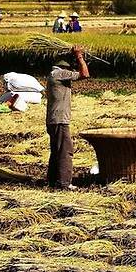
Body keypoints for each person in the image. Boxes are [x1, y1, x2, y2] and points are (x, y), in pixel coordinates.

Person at [46, 46, 90, 190]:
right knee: (66, 150)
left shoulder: (53, 73)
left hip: (54, 119)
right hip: (59, 119)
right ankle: (65, 183)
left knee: (57, 151)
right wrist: (79, 56)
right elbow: (85, 74)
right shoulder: (60, 74)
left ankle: (53, 181)